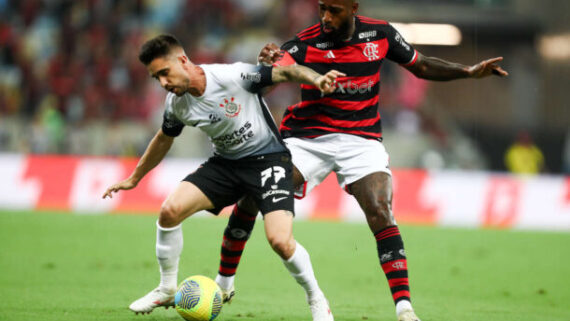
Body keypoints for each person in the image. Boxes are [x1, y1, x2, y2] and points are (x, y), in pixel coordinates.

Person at [213, 1, 509, 321]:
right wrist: (263, 69)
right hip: (308, 139)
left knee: (381, 211)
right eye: (322, 8)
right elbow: (266, 84)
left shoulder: (380, 34)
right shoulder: (303, 43)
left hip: (361, 141)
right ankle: (223, 283)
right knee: (253, 193)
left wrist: (467, 71)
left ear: (353, 8)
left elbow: (420, 65)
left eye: (334, 10)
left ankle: (405, 309)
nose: (326, 17)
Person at [102, 34, 344, 320]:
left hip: (268, 160)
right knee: (169, 211)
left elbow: (286, 72)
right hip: (226, 164)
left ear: (182, 60)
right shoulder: (177, 104)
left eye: (165, 73)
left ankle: (316, 298)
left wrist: (316, 79)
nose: (164, 83)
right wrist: (134, 178)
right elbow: (164, 138)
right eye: (157, 78)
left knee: (280, 240)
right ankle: (167, 288)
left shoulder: (232, 76)